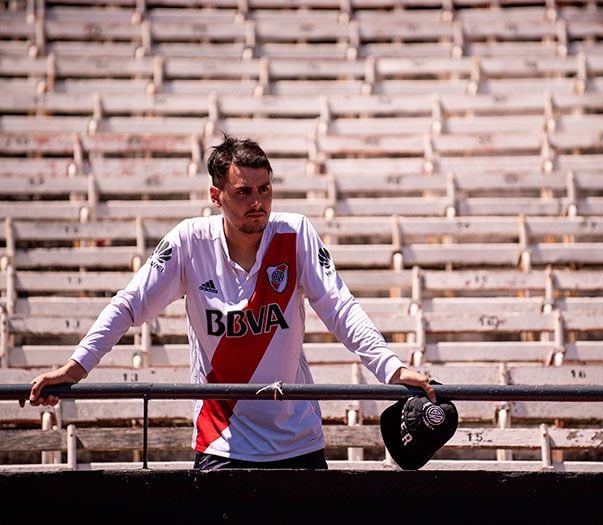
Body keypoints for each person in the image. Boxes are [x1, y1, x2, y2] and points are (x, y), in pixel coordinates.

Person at [22, 133, 436, 470]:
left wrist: (392, 367)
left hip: (297, 440)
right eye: (243, 192)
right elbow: (129, 305)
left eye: (265, 189)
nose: (258, 202)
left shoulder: (295, 234)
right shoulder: (188, 241)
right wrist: (76, 366)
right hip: (221, 445)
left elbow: (340, 308)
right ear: (215, 195)